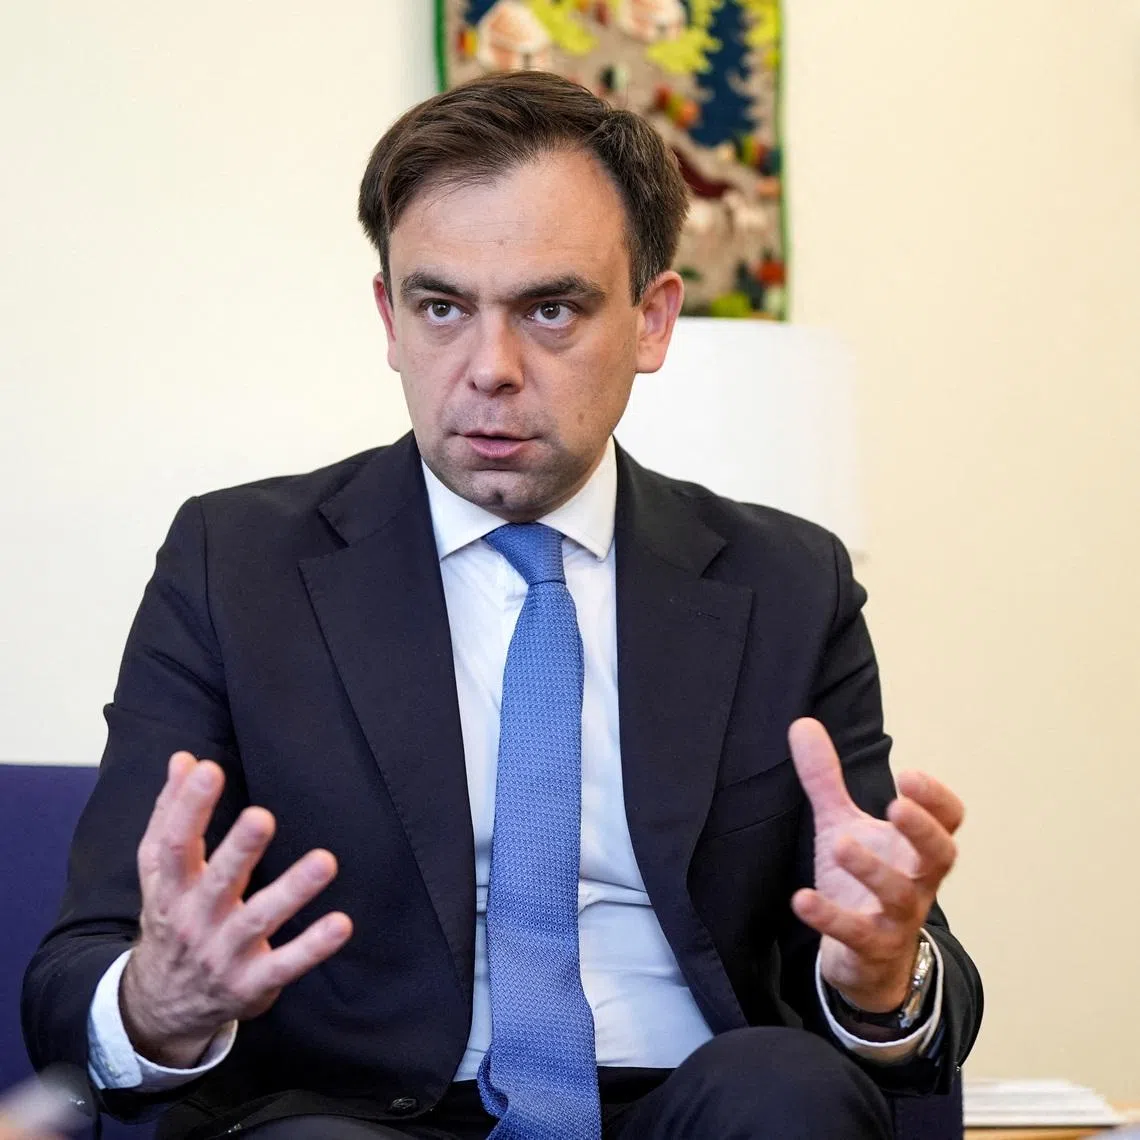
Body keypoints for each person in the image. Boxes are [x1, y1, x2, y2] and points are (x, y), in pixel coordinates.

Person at [23, 71, 982, 1139]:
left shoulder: (787, 583)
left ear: (653, 320)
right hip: (360, 1114)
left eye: (552, 308)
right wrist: (161, 1002)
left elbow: (870, 942)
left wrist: (881, 979)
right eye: (442, 307)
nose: (491, 369)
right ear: (390, 317)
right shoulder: (234, 562)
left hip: (686, 1102)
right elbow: (75, 976)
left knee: (786, 1093)